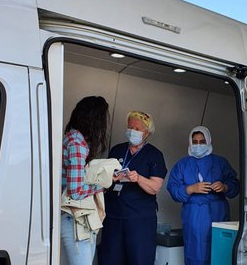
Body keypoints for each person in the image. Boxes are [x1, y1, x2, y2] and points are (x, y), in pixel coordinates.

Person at [98, 111, 167, 265]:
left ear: (147, 132)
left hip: (139, 219)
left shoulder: (154, 155)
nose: (132, 131)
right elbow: (103, 179)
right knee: (110, 259)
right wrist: (110, 178)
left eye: (137, 129)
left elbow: (155, 187)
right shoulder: (117, 150)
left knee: (139, 259)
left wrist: (139, 179)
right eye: (130, 127)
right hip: (114, 216)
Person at [167, 126, 239, 265]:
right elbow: (173, 189)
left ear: (209, 141)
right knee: (196, 252)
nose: (198, 145)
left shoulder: (220, 162)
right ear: (190, 142)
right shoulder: (182, 165)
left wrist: (224, 187)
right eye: (195, 142)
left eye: (202, 141)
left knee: (220, 252)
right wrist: (190, 189)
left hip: (218, 213)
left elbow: (235, 184)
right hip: (194, 215)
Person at [61, 96, 109, 265]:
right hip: (75, 217)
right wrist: (101, 185)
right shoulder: (77, 144)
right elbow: (75, 191)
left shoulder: (70, 137)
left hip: (71, 216)